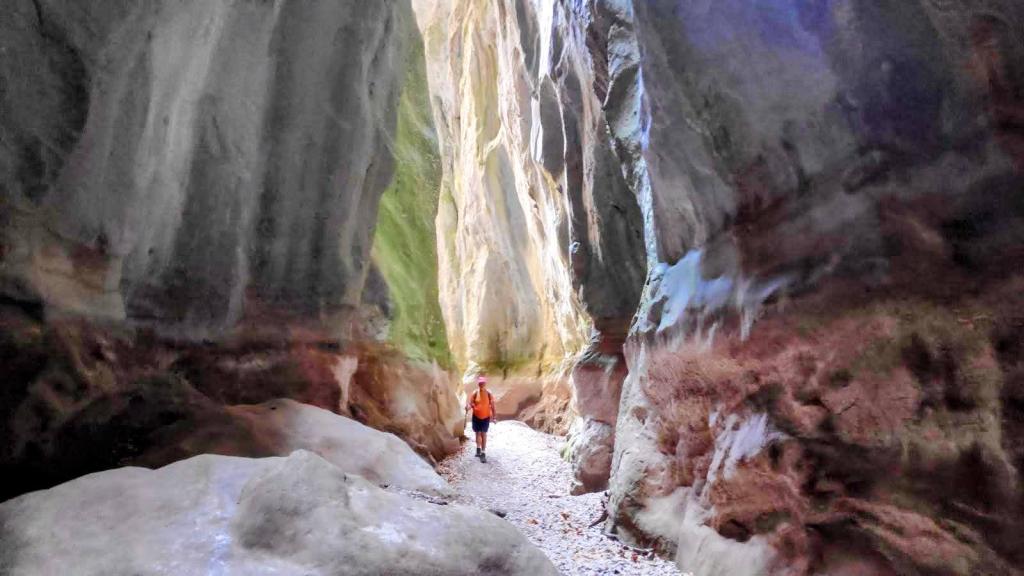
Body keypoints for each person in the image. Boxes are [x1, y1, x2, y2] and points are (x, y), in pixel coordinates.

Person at [466, 375, 496, 462]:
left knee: (483, 434)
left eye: (483, 383)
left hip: (486, 416)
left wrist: (494, 417)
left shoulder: (489, 394)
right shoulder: (475, 393)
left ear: (485, 383)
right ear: (478, 384)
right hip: (476, 416)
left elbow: (493, 406)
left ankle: (483, 453)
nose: (481, 384)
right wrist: (468, 407)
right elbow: (471, 404)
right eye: (480, 383)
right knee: (477, 433)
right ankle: (478, 449)